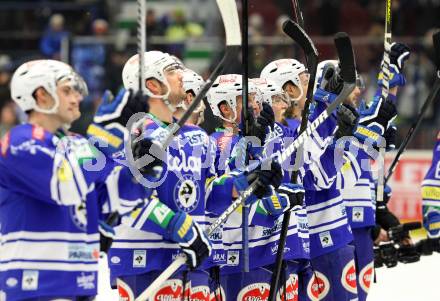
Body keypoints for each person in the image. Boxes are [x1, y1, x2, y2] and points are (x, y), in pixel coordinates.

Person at [87, 52, 282, 300]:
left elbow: (206, 192)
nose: (183, 75)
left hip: (192, 259)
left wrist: (243, 184)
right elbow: (125, 199)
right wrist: (176, 225)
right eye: (173, 70)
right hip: (146, 261)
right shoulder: (132, 132)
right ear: (153, 85)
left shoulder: (196, 137)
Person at [0, 59, 105, 301]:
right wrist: (106, 136)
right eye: (67, 90)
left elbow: (113, 198)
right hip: (37, 285)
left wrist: (140, 161)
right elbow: (65, 186)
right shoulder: (19, 142)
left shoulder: (79, 143)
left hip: (80, 283)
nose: (76, 98)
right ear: (41, 96)